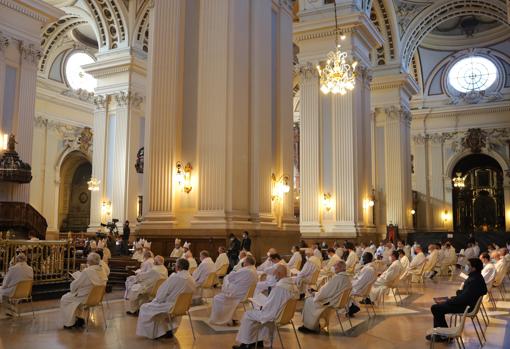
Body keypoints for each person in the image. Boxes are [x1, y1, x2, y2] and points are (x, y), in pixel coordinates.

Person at [233, 265, 299, 349]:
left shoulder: (280, 287)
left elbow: (270, 306)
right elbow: (276, 302)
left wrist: (261, 304)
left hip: (274, 315)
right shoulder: (292, 286)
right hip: (284, 316)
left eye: (275, 274)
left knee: (247, 314)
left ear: (279, 274)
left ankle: (246, 344)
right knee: (256, 314)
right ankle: (258, 342)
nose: (275, 277)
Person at [428, 258, 487, 342]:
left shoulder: (474, 280)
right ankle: (442, 334)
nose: (466, 266)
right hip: (467, 303)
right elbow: (467, 294)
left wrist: (448, 301)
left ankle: (444, 335)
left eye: (468, 265)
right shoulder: (477, 276)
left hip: (466, 306)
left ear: (473, 268)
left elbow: (464, 298)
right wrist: (456, 295)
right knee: (437, 307)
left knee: (436, 308)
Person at [136, 258, 196, 339]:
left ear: (178, 267)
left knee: (144, 307)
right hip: (183, 307)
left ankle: (154, 334)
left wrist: (157, 300)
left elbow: (162, 293)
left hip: (170, 306)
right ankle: (167, 330)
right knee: (156, 308)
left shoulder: (175, 277)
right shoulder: (191, 278)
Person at [299, 260, 351, 333]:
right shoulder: (347, 278)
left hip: (331, 301)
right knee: (311, 298)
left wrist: (315, 294)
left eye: (335, 267)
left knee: (308, 300)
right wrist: (317, 293)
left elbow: (326, 292)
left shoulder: (338, 278)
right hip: (335, 300)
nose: (334, 268)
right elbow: (329, 291)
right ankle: (315, 324)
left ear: (340, 268)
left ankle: (309, 327)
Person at [60, 252, 108, 328]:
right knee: (75, 299)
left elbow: (76, 285)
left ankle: (69, 323)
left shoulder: (88, 271)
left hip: (86, 298)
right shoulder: (102, 271)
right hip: (97, 299)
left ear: (91, 262)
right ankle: (79, 318)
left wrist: (74, 280)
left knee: (65, 299)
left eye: (88, 261)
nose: (87, 262)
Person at [209, 255, 258, 326]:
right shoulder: (254, 270)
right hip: (245, 294)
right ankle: (232, 318)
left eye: (244, 262)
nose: (243, 263)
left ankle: (219, 319)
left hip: (239, 296)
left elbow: (231, 277)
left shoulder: (246, 270)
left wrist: (234, 271)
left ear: (246, 263)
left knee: (216, 298)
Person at [349, 252, 377, 316]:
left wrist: (350, 283)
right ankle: (350, 305)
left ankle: (351, 306)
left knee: (342, 290)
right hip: (364, 289)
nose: (362, 259)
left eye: (363, 257)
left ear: (366, 259)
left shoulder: (368, 269)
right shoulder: (371, 267)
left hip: (360, 289)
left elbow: (359, 282)